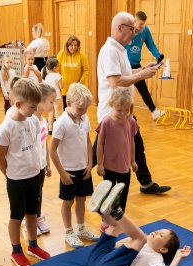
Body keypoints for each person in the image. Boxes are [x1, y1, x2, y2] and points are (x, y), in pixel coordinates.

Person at [96, 12, 170, 195]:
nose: (134, 34)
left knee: (136, 144)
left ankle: (145, 182)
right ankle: (79, 178)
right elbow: (115, 82)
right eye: (132, 30)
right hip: (113, 112)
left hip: (124, 110)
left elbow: (123, 74)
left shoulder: (119, 49)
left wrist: (142, 69)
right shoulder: (110, 51)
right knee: (100, 146)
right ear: (119, 28)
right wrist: (141, 76)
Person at [86, 180, 190, 266]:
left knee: (141, 238)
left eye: (161, 235)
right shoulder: (138, 243)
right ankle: (100, 209)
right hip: (94, 260)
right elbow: (115, 245)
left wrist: (178, 256)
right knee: (116, 226)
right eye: (158, 231)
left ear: (163, 249)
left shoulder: (155, 257)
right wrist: (131, 239)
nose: (156, 232)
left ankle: (115, 210)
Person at [0, 78, 52, 266]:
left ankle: (33, 245)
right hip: (17, 179)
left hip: (34, 174)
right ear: (18, 104)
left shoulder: (33, 121)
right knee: (17, 216)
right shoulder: (6, 128)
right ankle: (16, 249)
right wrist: (9, 174)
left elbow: (37, 146)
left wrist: (38, 167)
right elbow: (0, 156)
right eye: (32, 107)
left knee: (32, 213)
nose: (35, 111)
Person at [50, 83, 99, 249]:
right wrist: (62, 173)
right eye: (80, 108)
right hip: (68, 171)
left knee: (81, 199)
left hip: (83, 167)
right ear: (68, 103)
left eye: (86, 108)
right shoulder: (61, 124)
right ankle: (69, 231)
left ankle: (81, 228)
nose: (83, 112)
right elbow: (52, 150)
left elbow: (87, 140)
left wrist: (90, 162)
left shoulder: (84, 118)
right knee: (67, 201)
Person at [96, 87, 138, 233]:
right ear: (112, 105)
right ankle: (105, 220)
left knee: (123, 194)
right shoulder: (106, 122)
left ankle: (120, 220)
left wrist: (133, 161)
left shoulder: (131, 122)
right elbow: (100, 143)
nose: (123, 114)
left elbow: (131, 142)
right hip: (109, 166)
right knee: (108, 195)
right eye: (119, 110)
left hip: (125, 166)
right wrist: (100, 164)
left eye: (126, 110)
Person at [27, 82, 56, 237]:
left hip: (41, 165)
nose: (53, 105)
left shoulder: (43, 121)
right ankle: (29, 221)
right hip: (30, 167)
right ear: (40, 101)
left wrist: (48, 164)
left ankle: (37, 218)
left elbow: (44, 144)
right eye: (51, 102)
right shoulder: (29, 122)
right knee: (31, 195)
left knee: (39, 193)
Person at [126, 11, 162, 120]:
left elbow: (151, 44)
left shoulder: (145, 30)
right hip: (125, 66)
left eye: (143, 24)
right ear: (134, 21)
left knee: (143, 89)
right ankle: (125, 113)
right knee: (125, 92)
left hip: (137, 65)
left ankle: (154, 111)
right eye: (140, 24)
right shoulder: (128, 29)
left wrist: (159, 56)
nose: (142, 26)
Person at [56, 35, 89, 111]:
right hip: (65, 88)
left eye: (75, 45)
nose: (73, 47)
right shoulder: (62, 53)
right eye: (71, 45)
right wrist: (58, 80)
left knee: (76, 109)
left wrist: (80, 81)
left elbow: (86, 70)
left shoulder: (82, 55)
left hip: (76, 88)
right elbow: (56, 68)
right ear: (67, 46)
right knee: (66, 108)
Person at [42, 57, 62, 132]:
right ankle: (58, 128)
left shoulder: (46, 76)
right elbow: (61, 86)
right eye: (58, 66)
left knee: (50, 113)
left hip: (49, 97)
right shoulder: (57, 75)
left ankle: (50, 129)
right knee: (57, 112)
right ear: (54, 68)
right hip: (57, 97)